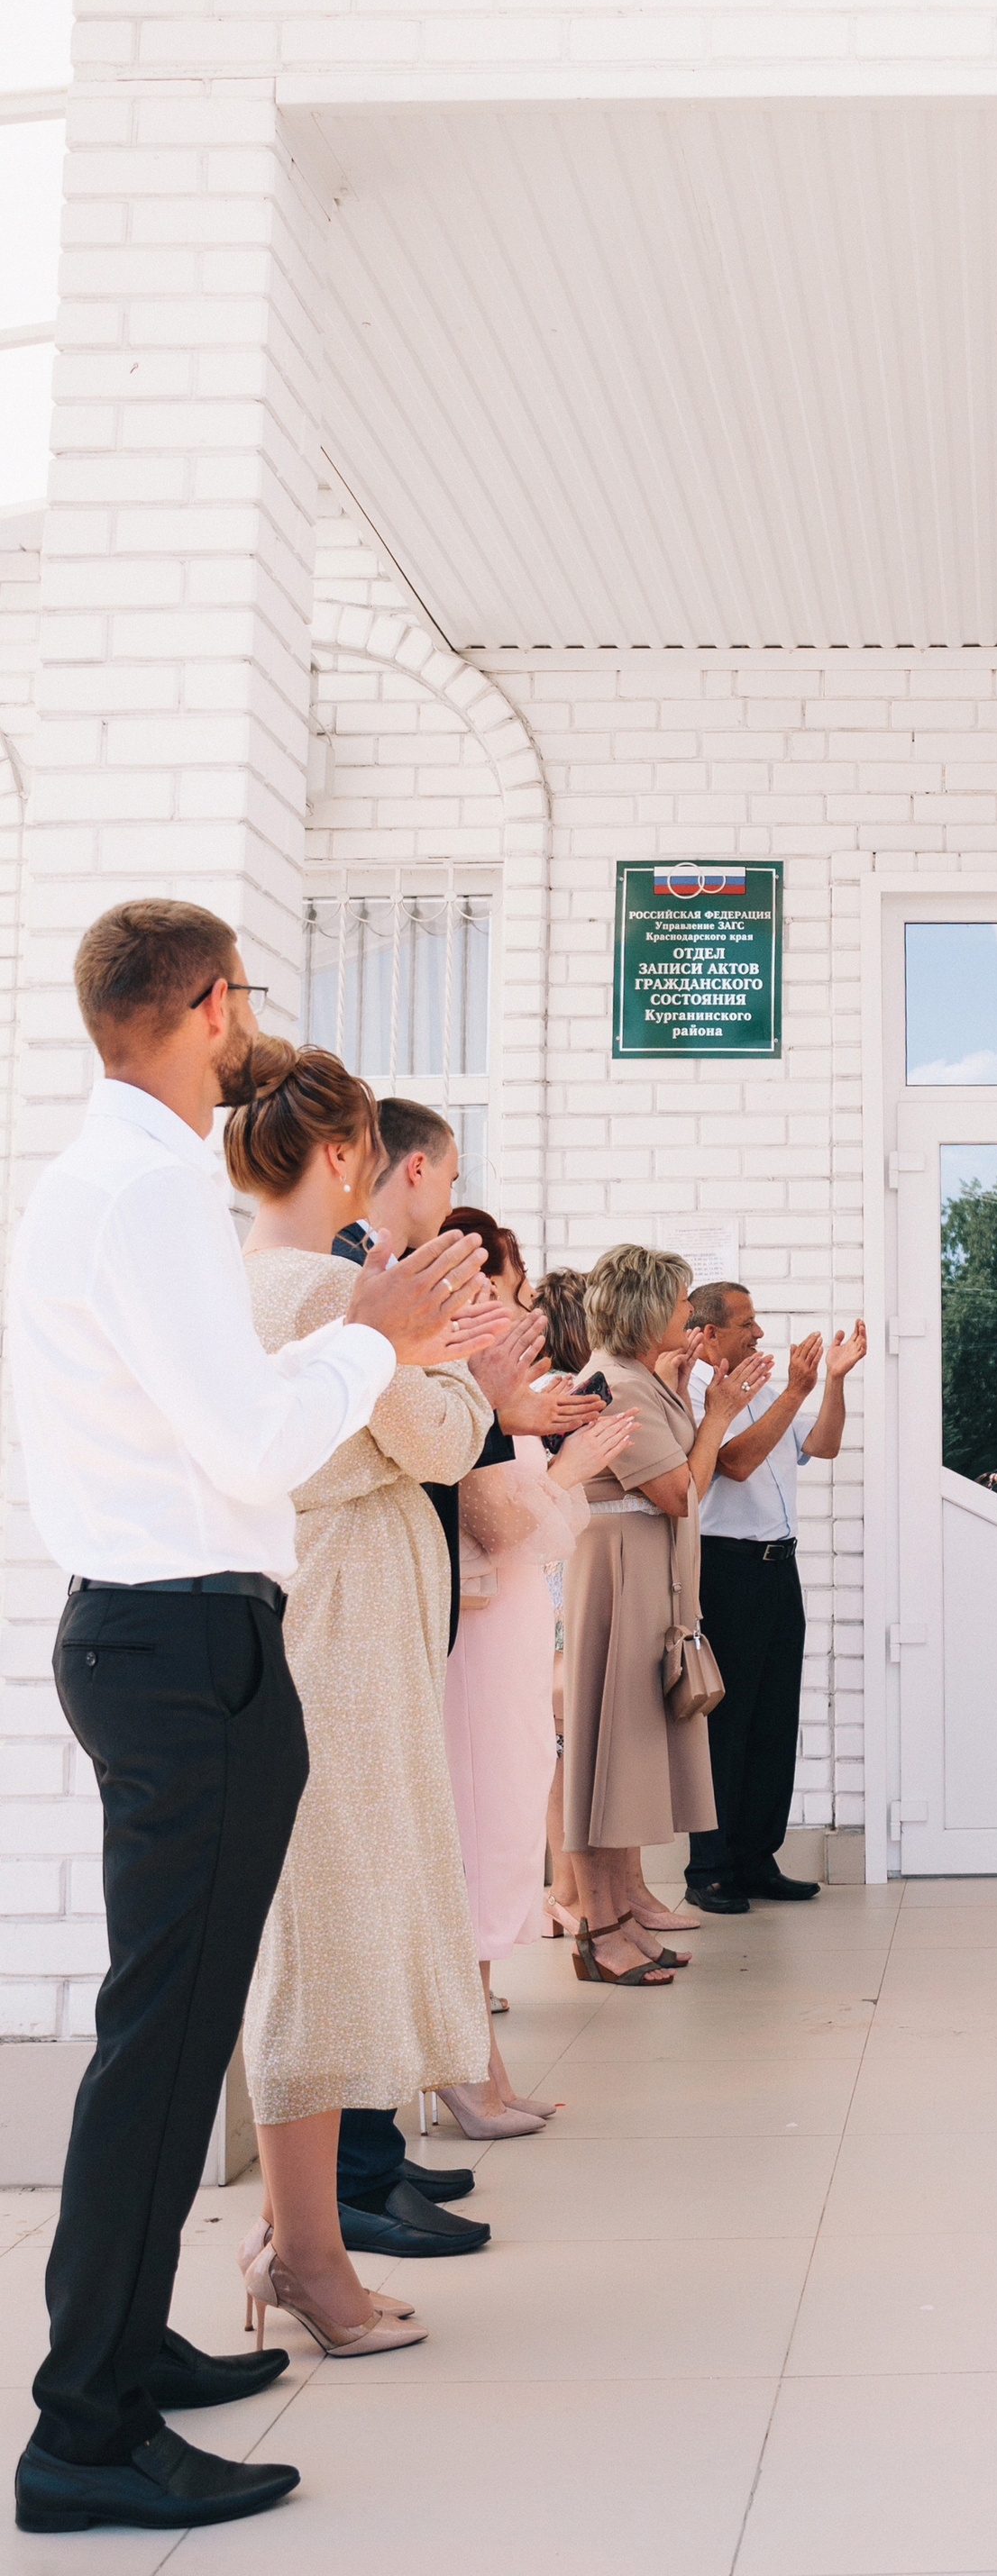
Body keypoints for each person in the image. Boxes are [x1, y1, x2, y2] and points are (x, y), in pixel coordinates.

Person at [6, 903, 495, 2535]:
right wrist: (373, 1340)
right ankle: (86, 2428)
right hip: (183, 1642)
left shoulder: (95, 1177)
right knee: (165, 2044)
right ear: (215, 1004)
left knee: (166, 2031)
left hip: (142, 1630)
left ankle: (125, 2342)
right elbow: (247, 1443)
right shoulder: (152, 1188)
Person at [233, 1048, 515, 2362]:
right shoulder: (326, 1287)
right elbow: (447, 1437)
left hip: (307, 1616)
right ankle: (307, 2249)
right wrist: (448, 1364)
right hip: (338, 1637)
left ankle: (300, 2235)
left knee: (322, 1921)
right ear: (346, 1155)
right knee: (329, 1933)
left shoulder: (242, 1278)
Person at [328, 1112, 597, 2262]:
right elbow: (448, 1461)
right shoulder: (337, 1285)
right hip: (368, 1623)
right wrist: (500, 1409)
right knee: (386, 1892)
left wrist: (501, 1405)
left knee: (417, 1877)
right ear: (408, 1167)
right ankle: (357, 2166)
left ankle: (378, 2148)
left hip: (415, 1614)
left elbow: (449, 1442)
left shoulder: (368, 1288)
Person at [440, 1209, 632, 2131]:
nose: (524, 1311)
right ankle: (466, 2069)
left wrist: (559, 1459)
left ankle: (480, 2062)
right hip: (477, 1639)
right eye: (510, 1290)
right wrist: (566, 1469)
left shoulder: (492, 1391)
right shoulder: (461, 1388)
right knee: (479, 1837)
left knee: (509, 1820)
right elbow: (491, 1520)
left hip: (511, 1627)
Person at [558, 1245, 770, 1980]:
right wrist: (717, 1416)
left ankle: (621, 1917)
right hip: (620, 1579)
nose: (690, 1313)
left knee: (630, 1757)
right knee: (606, 1757)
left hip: (646, 1574)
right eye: (681, 1302)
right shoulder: (616, 1384)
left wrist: (693, 1404)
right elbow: (680, 1491)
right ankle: (600, 1931)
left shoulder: (642, 1379)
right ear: (648, 1309)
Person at [678, 1285, 865, 1916]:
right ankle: (710, 1869)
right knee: (725, 1725)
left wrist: (831, 1381)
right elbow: (732, 1463)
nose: (759, 1332)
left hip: (778, 1567)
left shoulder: (763, 1385)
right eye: (747, 1322)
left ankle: (757, 1860)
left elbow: (824, 1444)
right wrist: (794, 1392)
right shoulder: (698, 1391)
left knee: (773, 1721)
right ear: (709, 1333)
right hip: (725, 1569)